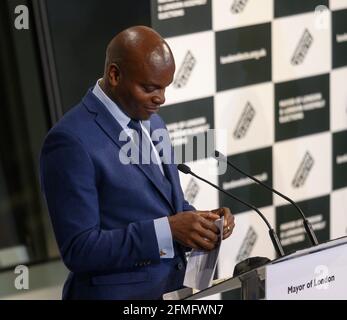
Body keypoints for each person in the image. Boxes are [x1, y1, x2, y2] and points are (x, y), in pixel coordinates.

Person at [40, 25, 235, 300]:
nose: (161, 99)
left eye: (165, 88)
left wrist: (201, 222)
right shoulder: (69, 141)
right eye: (150, 88)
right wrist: (167, 231)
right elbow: (79, 249)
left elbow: (163, 205)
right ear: (115, 75)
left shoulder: (152, 120)